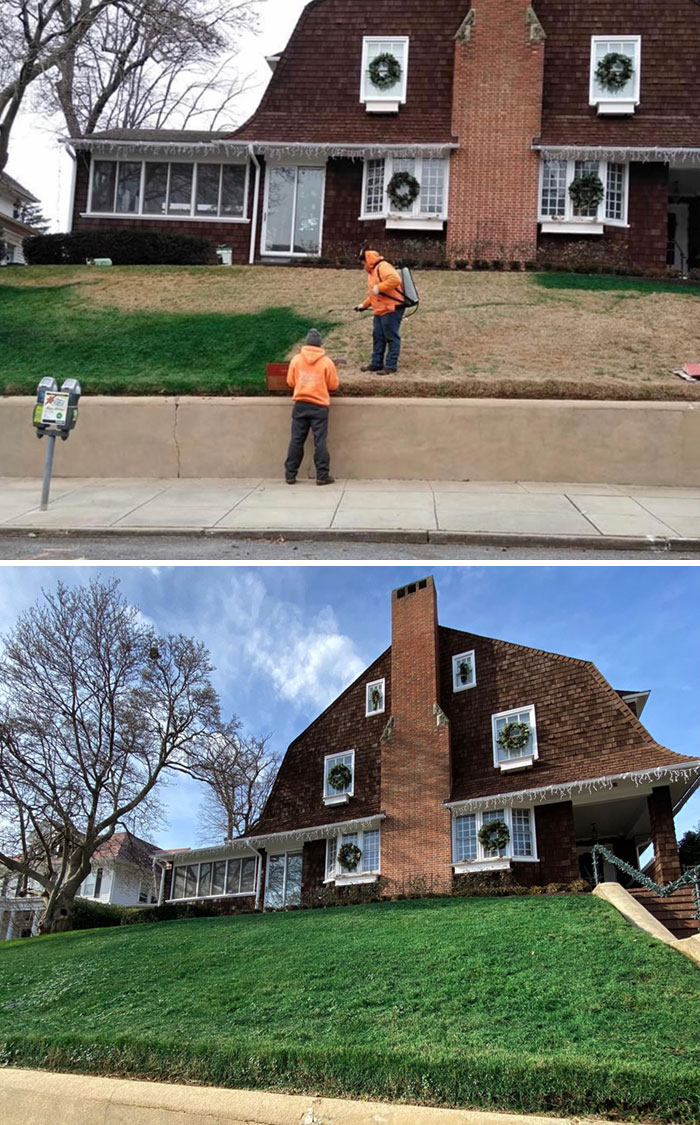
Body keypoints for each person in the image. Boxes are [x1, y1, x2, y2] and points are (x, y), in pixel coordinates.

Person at [284, 328, 339, 485]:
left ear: (306, 343)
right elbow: (333, 385)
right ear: (320, 344)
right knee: (320, 441)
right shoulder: (326, 362)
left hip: (300, 404)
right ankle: (322, 475)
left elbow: (290, 382)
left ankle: (290, 475)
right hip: (319, 405)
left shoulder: (296, 360)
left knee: (296, 440)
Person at [355, 247, 405, 374]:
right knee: (378, 336)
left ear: (368, 261)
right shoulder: (372, 273)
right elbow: (374, 294)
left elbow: (395, 280)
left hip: (392, 308)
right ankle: (376, 363)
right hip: (380, 309)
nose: (363, 266)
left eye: (363, 263)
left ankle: (390, 366)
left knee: (391, 337)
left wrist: (379, 287)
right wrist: (363, 305)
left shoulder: (383, 267)